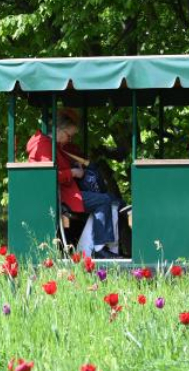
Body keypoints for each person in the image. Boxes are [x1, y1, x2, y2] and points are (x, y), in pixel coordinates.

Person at [26, 109, 122, 259]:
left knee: (109, 199)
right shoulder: (44, 146)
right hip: (61, 196)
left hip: (66, 192)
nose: (69, 140)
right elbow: (48, 176)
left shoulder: (52, 144)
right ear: (58, 130)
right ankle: (99, 248)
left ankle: (98, 247)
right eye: (69, 136)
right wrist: (73, 173)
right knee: (105, 201)